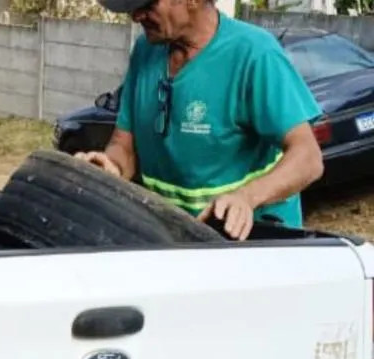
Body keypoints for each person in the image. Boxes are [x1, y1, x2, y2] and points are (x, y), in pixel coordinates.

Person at [74, 0, 324, 240]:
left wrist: (246, 198)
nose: (136, 15)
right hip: (174, 239)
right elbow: (124, 146)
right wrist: (111, 166)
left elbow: (308, 158)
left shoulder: (254, 54)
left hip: (250, 244)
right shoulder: (145, 51)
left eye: (149, 5)